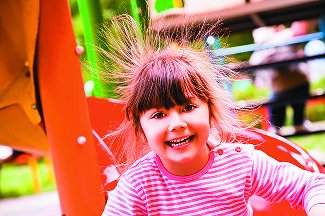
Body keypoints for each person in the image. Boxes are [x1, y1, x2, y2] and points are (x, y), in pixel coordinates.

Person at [100, 15, 325, 215]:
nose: (177, 124)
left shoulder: (240, 164)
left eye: (187, 108)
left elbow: (312, 185)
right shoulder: (139, 185)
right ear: (141, 126)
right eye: (159, 115)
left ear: (210, 111)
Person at [249, 21, 316, 135]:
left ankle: (281, 127)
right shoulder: (285, 36)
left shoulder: (265, 45)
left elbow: (255, 63)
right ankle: (295, 124)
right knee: (290, 105)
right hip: (294, 81)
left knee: (280, 106)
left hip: (284, 83)